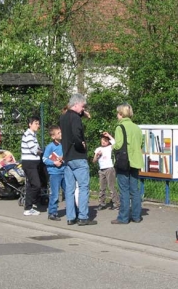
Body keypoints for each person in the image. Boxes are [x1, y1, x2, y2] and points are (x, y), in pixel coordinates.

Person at [60, 93, 97, 226]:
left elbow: (72, 118)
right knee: (83, 187)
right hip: (78, 157)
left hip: (68, 157)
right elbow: (76, 134)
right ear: (76, 104)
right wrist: (81, 145)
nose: (83, 108)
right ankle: (83, 217)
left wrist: (83, 114)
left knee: (69, 189)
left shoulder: (63, 117)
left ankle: (71, 217)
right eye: (82, 106)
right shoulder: (76, 118)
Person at [110, 103, 144, 225]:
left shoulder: (120, 127)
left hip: (124, 162)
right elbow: (141, 143)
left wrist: (112, 146)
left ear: (120, 114)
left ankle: (123, 217)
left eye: (117, 113)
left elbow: (118, 145)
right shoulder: (137, 128)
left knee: (124, 189)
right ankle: (136, 216)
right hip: (135, 161)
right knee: (134, 189)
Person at [42, 125, 65, 221]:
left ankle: (74, 210)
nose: (61, 134)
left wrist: (63, 158)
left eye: (60, 132)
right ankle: (52, 212)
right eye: (58, 133)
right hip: (54, 173)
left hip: (64, 171)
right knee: (55, 194)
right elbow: (44, 159)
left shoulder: (64, 144)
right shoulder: (50, 147)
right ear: (53, 136)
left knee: (68, 192)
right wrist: (54, 162)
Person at [21, 116, 43, 216]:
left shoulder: (33, 135)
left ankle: (28, 207)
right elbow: (35, 150)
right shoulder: (29, 135)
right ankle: (29, 204)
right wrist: (42, 152)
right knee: (36, 185)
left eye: (38, 124)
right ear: (30, 124)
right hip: (29, 163)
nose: (37, 126)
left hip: (33, 163)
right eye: (35, 123)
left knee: (31, 184)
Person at [93, 133, 120, 210]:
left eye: (105, 141)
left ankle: (116, 203)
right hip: (101, 170)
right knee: (102, 187)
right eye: (102, 140)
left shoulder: (109, 147)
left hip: (109, 169)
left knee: (111, 187)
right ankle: (102, 203)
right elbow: (94, 161)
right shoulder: (98, 149)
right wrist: (97, 156)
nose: (103, 142)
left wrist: (108, 135)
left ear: (108, 142)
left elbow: (115, 142)